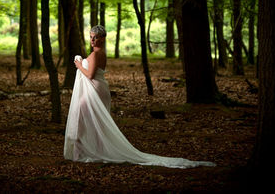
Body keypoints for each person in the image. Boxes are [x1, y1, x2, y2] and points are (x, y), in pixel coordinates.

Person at [63, 25, 215, 168]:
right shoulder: (98, 53)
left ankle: (84, 152)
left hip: (95, 90)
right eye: (91, 37)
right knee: (91, 120)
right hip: (99, 89)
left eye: (95, 37)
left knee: (82, 117)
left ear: (102, 38)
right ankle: (89, 151)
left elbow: (89, 75)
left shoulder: (97, 53)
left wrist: (79, 65)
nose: (92, 40)